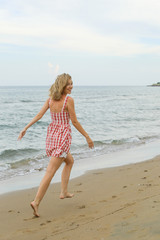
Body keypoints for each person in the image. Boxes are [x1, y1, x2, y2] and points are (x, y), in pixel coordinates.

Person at [18, 73, 94, 217]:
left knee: (70, 161)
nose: (71, 86)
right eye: (69, 84)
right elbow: (75, 122)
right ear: (62, 85)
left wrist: (25, 128)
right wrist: (87, 137)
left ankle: (63, 192)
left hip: (53, 136)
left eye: (72, 83)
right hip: (63, 138)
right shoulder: (68, 100)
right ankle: (36, 202)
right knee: (50, 171)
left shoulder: (50, 100)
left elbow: (38, 116)